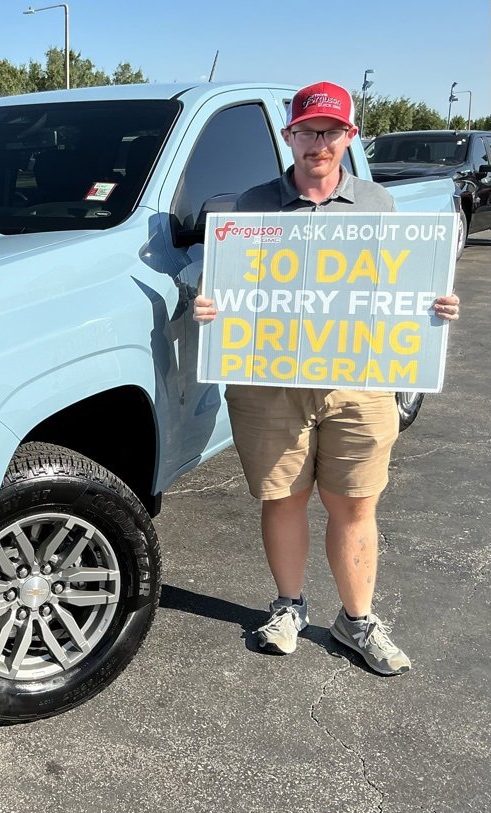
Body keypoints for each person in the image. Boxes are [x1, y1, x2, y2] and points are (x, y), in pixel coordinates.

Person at [193, 81, 461, 676]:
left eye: (331, 131)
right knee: (283, 498)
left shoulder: (378, 206)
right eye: (308, 131)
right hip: (270, 383)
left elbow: (396, 288)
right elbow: (232, 286)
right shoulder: (251, 206)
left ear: (349, 136)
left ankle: (356, 619)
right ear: (290, 136)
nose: (319, 143)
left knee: (355, 504)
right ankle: (288, 606)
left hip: (359, 380)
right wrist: (211, 305)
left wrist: (432, 307)